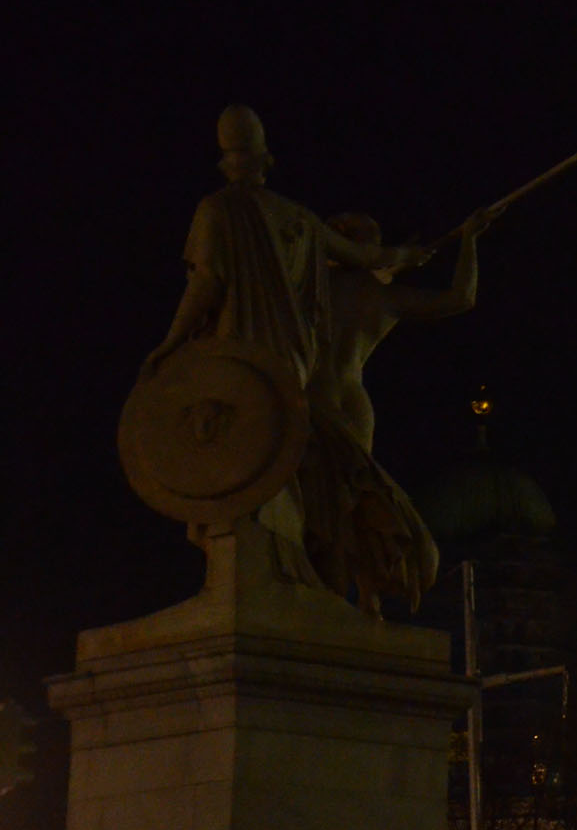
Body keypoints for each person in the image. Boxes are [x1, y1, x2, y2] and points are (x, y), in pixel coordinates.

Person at [141, 106, 430, 584]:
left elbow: (207, 281)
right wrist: (408, 256)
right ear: (264, 161)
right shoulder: (300, 219)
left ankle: (255, 574)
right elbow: (366, 257)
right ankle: (288, 567)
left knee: (238, 461)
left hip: (241, 360)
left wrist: (171, 341)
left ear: (225, 162)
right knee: (282, 465)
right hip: (291, 362)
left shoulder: (215, 210)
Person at [300, 207, 493, 614]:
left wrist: (399, 257)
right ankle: (369, 595)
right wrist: (469, 241)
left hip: (315, 395)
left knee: (318, 501)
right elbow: (462, 298)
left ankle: (324, 588)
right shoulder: (383, 296)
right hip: (355, 400)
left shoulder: (307, 288)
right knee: (359, 499)